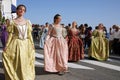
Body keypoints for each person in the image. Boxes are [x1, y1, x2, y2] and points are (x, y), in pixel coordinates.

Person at [2, 4, 35, 80]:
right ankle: (17, 76)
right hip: (16, 43)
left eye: (23, 10)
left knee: (26, 61)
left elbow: (29, 34)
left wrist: (32, 44)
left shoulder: (28, 22)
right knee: (16, 61)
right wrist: (6, 45)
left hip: (26, 44)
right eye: (20, 9)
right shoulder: (12, 22)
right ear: (17, 11)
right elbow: (10, 35)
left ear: (25, 12)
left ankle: (26, 77)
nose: (22, 11)